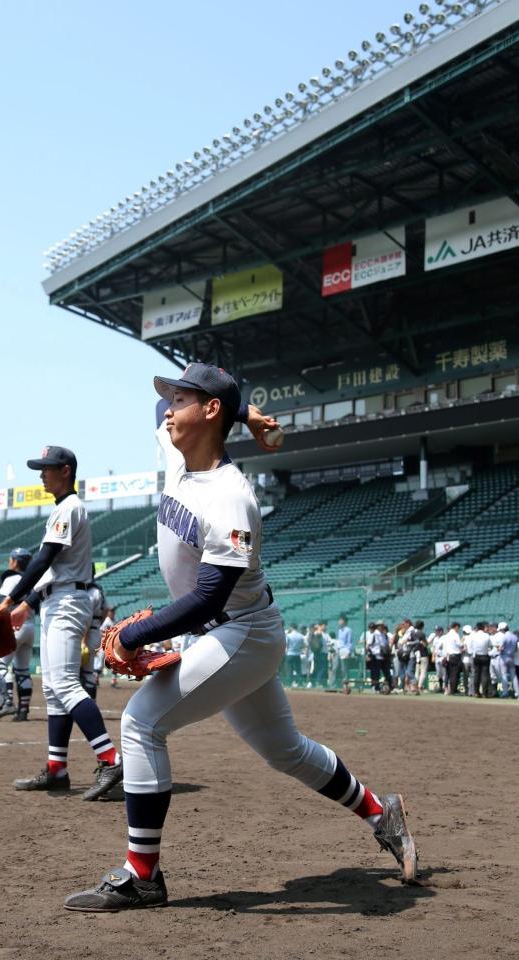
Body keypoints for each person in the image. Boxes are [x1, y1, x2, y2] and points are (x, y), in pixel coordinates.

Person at [63, 363, 416, 912]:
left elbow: (208, 599)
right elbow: (166, 414)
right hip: (224, 633)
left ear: (207, 412)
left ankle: (142, 876)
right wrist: (243, 411)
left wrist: (134, 634)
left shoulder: (232, 498)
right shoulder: (176, 445)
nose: (167, 409)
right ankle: (380, 811)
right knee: (285, 751)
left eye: (181, 399)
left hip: (241, 633)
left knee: (140, 723)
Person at [0, 446, 122, 800]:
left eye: (46, 468)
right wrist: (30, 604)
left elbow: (42, 560)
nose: (41, 474)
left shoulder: (69, 507)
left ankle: (111, 760)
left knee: (65, 684)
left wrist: (11, 600)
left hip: (68, 600)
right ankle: (57, 769)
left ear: (65, 470)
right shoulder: (62, 509)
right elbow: (50, 569)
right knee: (52, 689)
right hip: (56, 598)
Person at [0, 547, 36, 721]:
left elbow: (3, 605)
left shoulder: (11, 578)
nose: (10, 562)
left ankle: (7, 701)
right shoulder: (30, 580)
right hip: (30, 626)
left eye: (11, 559)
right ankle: (23, 710)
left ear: (15, 561)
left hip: (14, 626)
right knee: (22, 670)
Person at [82, 574, 107, 699]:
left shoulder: (89, 591)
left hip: (87, 634)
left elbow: (87, 617)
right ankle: (91, 703)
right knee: (89, 672)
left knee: (85, 673)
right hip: (95, 630)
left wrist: (83, 641)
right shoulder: (99, 590)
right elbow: (106, 610)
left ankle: (89, 704)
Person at [366, 622, 393, 693]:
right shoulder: (374, 634)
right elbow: (368, 646)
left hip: (384, 656)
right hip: (376, 656)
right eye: (381, 626)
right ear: (378, 626)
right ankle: (375, 687)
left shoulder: (384, 635)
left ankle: (389, 687)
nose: (382, 627)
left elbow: (386, 645)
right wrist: (369, 654)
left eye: (383, 626)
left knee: (387, 673)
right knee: (375, 673)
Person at [469, 621, 491, 698]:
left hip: (476, 656)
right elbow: (489, 646)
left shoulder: (474, 636)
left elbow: (470, 647)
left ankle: (476, 692)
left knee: (476, 674)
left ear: (477, 628)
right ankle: (484, 693)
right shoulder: (487, 636)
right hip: (485, 656)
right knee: (484, 675)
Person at [335, 616, 354, 688]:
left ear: (345, 621)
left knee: (344, 669)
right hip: (339, 650)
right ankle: (336, 684)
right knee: (336, 667)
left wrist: (348, 652)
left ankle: (345, 685)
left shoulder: (348, 630)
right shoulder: (339, 630)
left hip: (345, 650)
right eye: (339, 620)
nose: (339, 622)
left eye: (341, 620)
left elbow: (349, 642)